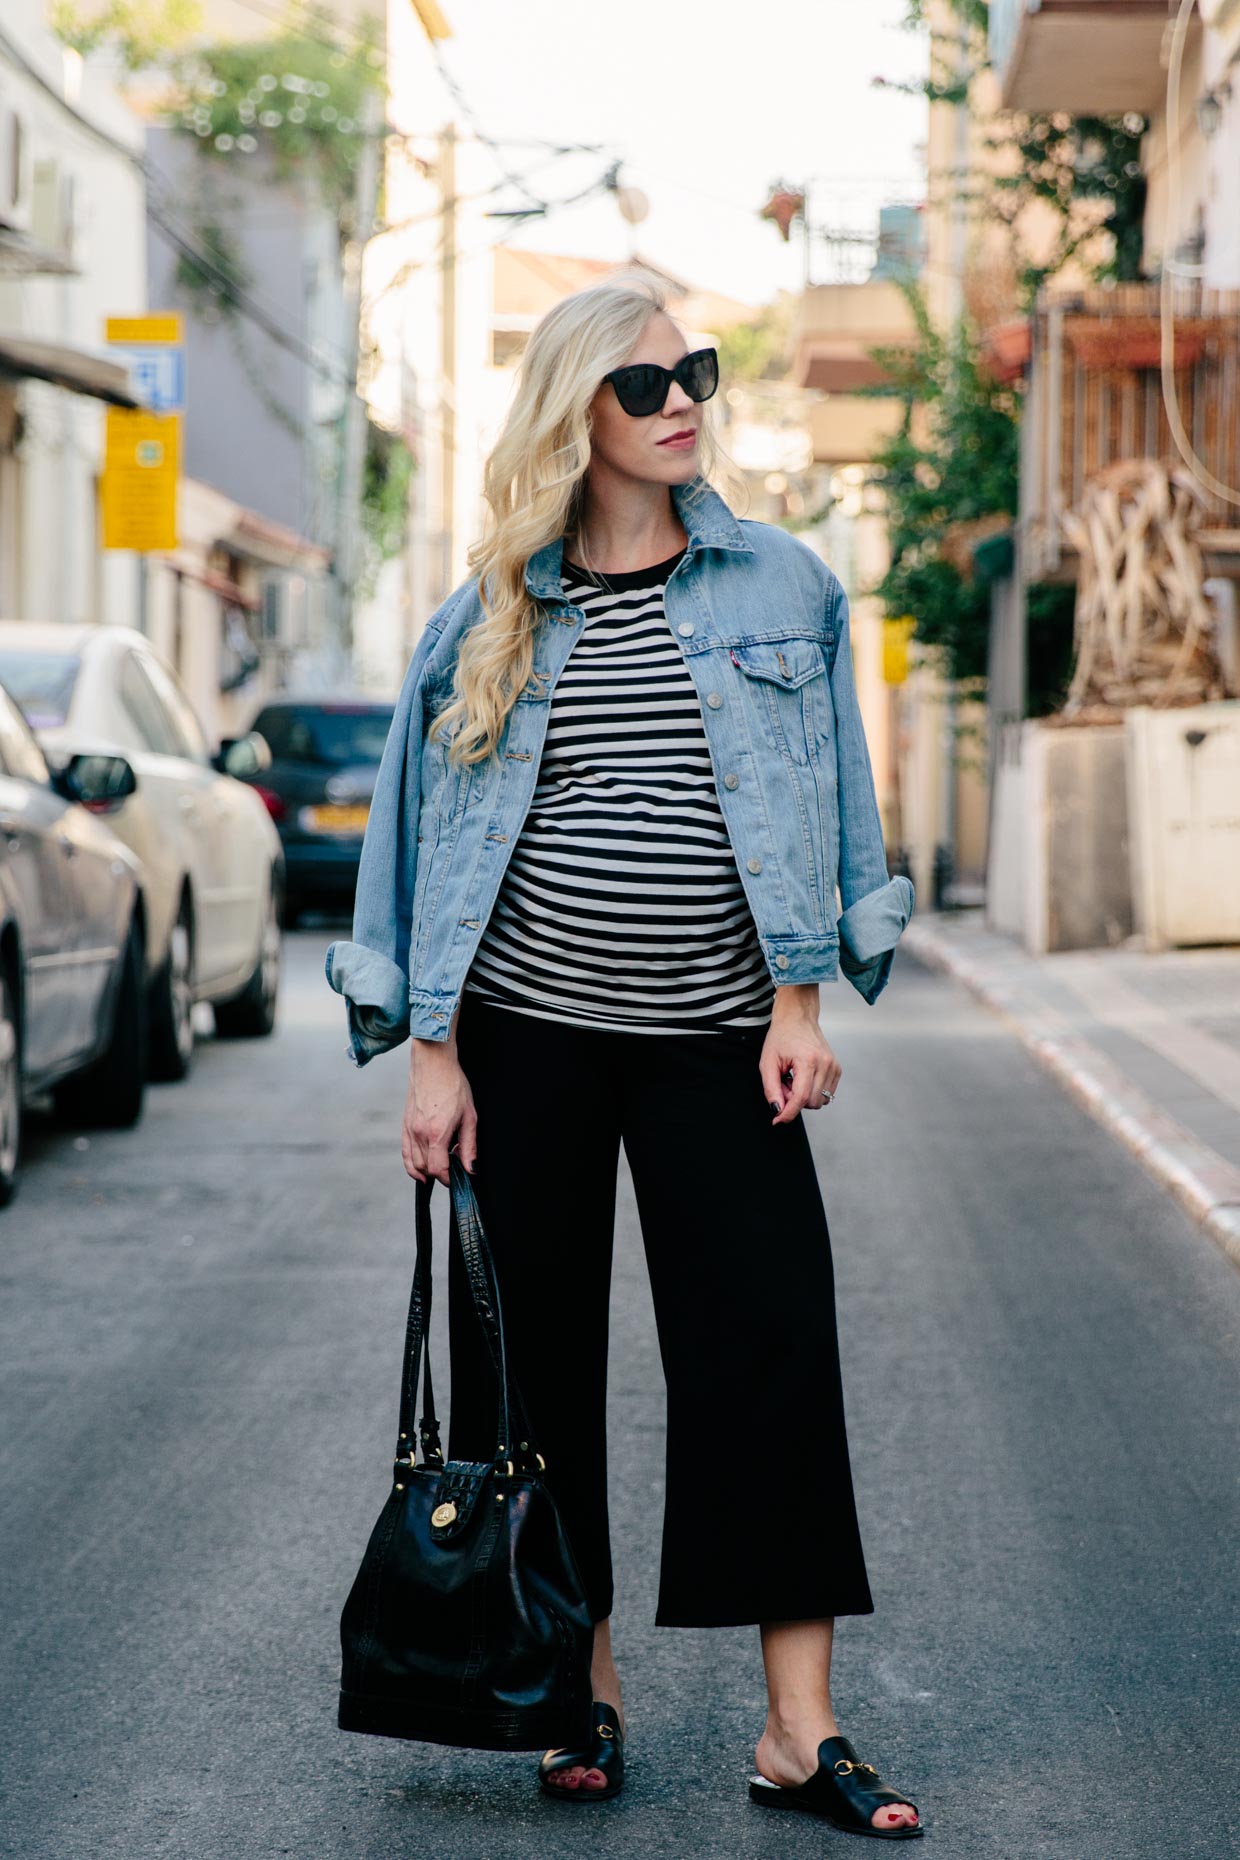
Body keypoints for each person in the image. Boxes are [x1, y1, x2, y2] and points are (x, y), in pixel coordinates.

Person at [326, 273, 922, 1840]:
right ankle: (572, 1691)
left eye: (696, 376)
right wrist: (429, 1054)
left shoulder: (784, 588)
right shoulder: (489, 613)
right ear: (574, 409)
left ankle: (802, 1734)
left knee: (774, 1356)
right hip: (524, 1043)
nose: (685, 403)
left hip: (720, 1044)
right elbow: (415, 842)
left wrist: (804, 1000)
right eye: (648, 383)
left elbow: (832, 807)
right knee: (537, 1385)